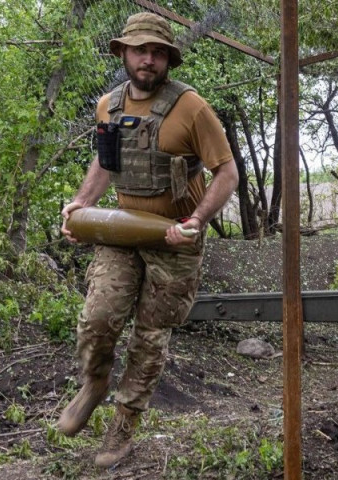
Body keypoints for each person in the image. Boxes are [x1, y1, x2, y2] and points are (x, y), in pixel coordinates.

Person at [57, 12, 237, 468]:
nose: (149, 60)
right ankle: (94, 383)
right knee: (98, 319)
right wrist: (80, 205)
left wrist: (196, 219)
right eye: (141, 50)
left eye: (158, 52)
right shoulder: (108, 107)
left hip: (173, 239)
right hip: (121, 230)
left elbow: (227, 172)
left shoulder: (191, 108)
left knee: (150, 337)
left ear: (168, 60)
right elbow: (104, 164)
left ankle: (122, 428)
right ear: (123, 53)